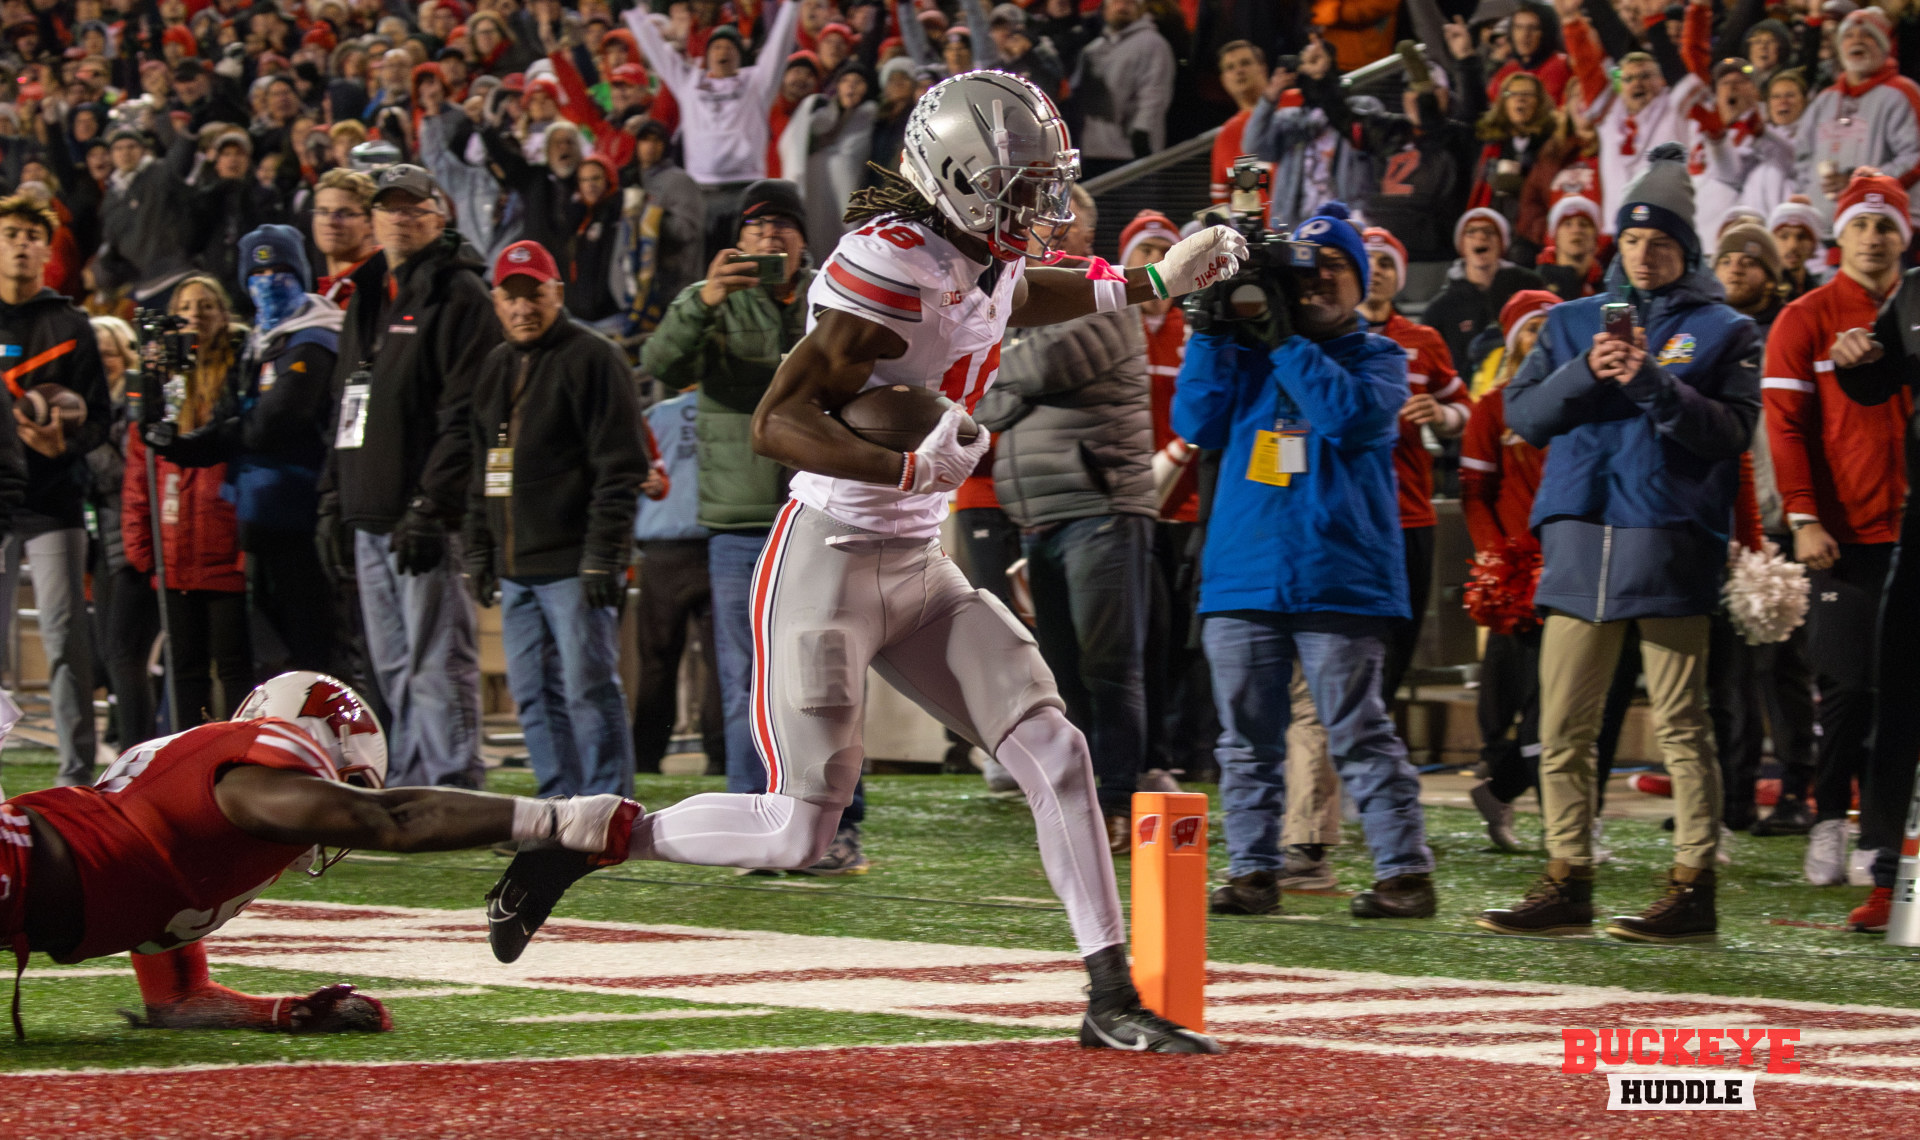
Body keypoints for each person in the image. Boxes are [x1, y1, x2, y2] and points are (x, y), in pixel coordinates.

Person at [488, 72, 1249, 1054]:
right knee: (803, 830)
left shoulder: (982, 249)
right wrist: (904, 461)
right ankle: (582, 836)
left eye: (1041, 185)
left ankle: (1111, 995)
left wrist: (1148, 281)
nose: (1035, 208)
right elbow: (775, 422)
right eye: (1016, 187)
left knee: (1055, 751)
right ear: (956, 180)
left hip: (914, 559)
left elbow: (1013, 297)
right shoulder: (887, 266)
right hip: (830, 560)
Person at [1, 670, 636, 1034]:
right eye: (345, 781)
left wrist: (283, 1012)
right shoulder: (253, 768)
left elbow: (178, 1002)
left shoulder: (190, 834)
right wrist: (555, 819)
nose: (340, 817)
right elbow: (392, 819)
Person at [1485, 143, 1760, 944]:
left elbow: (1731, 432)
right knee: (1564, 727)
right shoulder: (1571, 321)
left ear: (1688, 248)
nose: (1645, 253)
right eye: (1634, 240)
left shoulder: (1725, 329)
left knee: (1681, 725)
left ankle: (1693, 884)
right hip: (1578, 539)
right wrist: (1585, 374)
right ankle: (1568, 877)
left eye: (1663, 241)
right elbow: (1523, 416)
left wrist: (1649, 382)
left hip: (1667, 543)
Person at [1174, 202, 1434, 924]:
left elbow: (1351, 417)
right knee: (1245, 741)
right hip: (1244, 573)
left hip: (1340, 577)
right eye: (1307, 270)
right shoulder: (1249, 350)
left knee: (1356, 731)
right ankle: (1253, 871)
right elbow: (1194, 422)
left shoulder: (1381, 355)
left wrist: (1286, 343)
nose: (1318, 281)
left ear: (1362, 282)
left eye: (1336, 269)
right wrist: (1210, 333)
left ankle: (1405, 871)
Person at [974, 186, 1161, 853]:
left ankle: (1116, 804)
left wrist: (1000, 365)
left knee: (1109, 667)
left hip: (1100, 505)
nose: (1043, 230)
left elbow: (1038, 368)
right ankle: (1078, 805)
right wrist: (1004, 372)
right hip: (1042, 513)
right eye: (1035, 219)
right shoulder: (1016, 300)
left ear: (1086, 230)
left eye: (1060, 219)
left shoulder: (1108, 288)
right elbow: (985, 403)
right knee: (1059, 673)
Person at [317, 164, 501, 789]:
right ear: (373, 219)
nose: (400, 216)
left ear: (438, 215)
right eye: (388, 207)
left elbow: (465, 414)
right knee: (393, 661)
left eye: (412, 206)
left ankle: (451, 783)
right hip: (369, 508)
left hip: (421, 513)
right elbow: (346, 402)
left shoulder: (461, 294)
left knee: (435, 657)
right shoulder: (366, 293)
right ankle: (415, 775)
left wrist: (431, 502)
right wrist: (333, 499)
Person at [1762, 173, 1912, 889]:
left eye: (1888, 226)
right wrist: (1803, 514)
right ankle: (1827, 819)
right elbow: (1786, 428)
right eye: (1863, 225)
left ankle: (1881, 841)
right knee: (1847, 688)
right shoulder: (1805, 317)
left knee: (1903, 692)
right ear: (1840, 234)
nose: (1875, 238)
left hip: (1909, 530)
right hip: (1843, 533)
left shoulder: (1914, 311)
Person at [640, 179, 810, 803]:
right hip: (740, 524)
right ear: (738, 239)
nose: (769, 235)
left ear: (802, 238)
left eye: (783, 225)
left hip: (817, 514)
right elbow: (662, 364)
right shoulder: (706, 301)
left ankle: (825, 811)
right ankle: (749, 805)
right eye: (757, 226)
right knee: (743, 675)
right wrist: (705, 300)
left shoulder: (832, 295)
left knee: (821, 669)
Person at [463, 240, 650, 801]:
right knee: (533, 694)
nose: (523, 308)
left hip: (573, 566)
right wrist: (480, 549)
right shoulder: (495, 367)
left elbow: (621, 468)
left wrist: (604, 553)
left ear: (557, 294)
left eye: (534, 295)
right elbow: (482, 471)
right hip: (518, 571)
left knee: (588, 688)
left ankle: (606, 808)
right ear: (496, 301)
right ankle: (556, 806)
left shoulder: (595, 357)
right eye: (511, 297)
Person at [150, 226, 343, 679]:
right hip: (259, 520)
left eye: (280, 271)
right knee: (274, 657)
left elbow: (272, 423)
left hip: (306, 520)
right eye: (257, 273)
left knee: (316, 649)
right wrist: (181, 446)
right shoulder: (259, 345)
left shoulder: (314, 341)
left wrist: (215, 438)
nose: (269, 281)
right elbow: (230, 422)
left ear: (302, 275)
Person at [1827, 222, 1920, 934]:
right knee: (1901, 692)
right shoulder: (1915, 292)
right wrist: (1851, 355)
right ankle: (1894, 880)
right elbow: (1875, 378)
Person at [0, 193, 107, 785]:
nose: (20, 243)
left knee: (66, 641)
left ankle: (77, 779)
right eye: (10, 232)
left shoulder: (71, 324)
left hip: (53, 505)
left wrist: (59, 444)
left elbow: (101, 420)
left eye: (31, 235)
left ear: (47, 249)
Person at [124, 275, 253, 727]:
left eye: (206, 306)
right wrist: (142, 544)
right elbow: (141, 468)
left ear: (223, 315)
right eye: (186, 307)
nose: (195, 315)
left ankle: (242, 761)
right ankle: (187, 761)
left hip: (225, 550)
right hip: (174, 550)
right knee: (185, 670)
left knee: (236, 666)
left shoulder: (239, 371)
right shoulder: (161, 381)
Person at [1459, 288, 1557, 850]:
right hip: (1516, 574)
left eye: (1549, 327)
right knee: (1512, 696)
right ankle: (1517, 801)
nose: (1540, 339)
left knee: (1558, 702)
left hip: (1568, 567)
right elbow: (1475, 492)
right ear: (1513, 338)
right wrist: (1498, 562)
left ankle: (1516, 799)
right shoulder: (1492, 408)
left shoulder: (1577, 402)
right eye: (1530, 328)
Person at [1359, 227, 1468, 703]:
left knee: (1401, 635)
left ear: (1400, 277)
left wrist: (1441, 414)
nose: (1377, 271)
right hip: (1351, 513)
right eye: (1368, 261)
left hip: (1408, 510)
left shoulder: (1423, 339)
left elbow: (1464, 410)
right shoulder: (1323, 335)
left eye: (1387, 263)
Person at [624, 1, 803, 259]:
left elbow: (779, 45)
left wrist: (792, 7)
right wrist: (632, 13)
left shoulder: (756, 82)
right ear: (707, 56)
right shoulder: (690, 83)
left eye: (730, 46)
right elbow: (659, 54)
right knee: (705, 264)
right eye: (717, 46)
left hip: (746, 187)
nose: (723, 50)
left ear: (739, 55)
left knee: (746, 261)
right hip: (700, 191)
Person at [630, 385, 724, 777]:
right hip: (722, 544)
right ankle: (722, 757)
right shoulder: (737, 410)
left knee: (657, 663)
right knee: (726, 664)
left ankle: (647, 758)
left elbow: (634, 476)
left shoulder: (657, 416)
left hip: (663, 548)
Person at [1794, 9, 1920, 235]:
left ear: (1884, 46)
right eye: (1849, 36)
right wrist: (1810, 196)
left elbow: (1915, 160)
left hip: (1884, 232)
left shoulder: (1902, 93)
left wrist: (1862, 184)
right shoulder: (1825, 100)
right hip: (1825, 233)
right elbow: (1802, 157)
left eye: (1867, 35)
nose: (1857, 41)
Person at [1421, 206, 1545, 376]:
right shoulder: (1440, 309)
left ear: (1501, 244)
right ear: (1462, 245)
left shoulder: (1530, 287)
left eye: (1489, 231)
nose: (1481, 237)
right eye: (1471, 231)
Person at [1073, 0, 1174, 172]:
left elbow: (1155, 94)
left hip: (1131, 152)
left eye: (1129, 3)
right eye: (1116, 2)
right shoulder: (1092, 49)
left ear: (1140, 9)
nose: (1122, 7)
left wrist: (1142, 133)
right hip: (1092, 150)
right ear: (1104, 10)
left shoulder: (1153, 43)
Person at [311, 167, 381, 305]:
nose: (330, 222)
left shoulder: (383, 286)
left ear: (371, 222)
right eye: (323, 212)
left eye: (344, 213)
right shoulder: (328, 291)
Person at [1769, 196, 1826, 302]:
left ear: (1813, 246)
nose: (1793, 245)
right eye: (1784, 236)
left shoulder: (1821, 295)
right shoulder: (1761, 293)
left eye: (1802, 237)